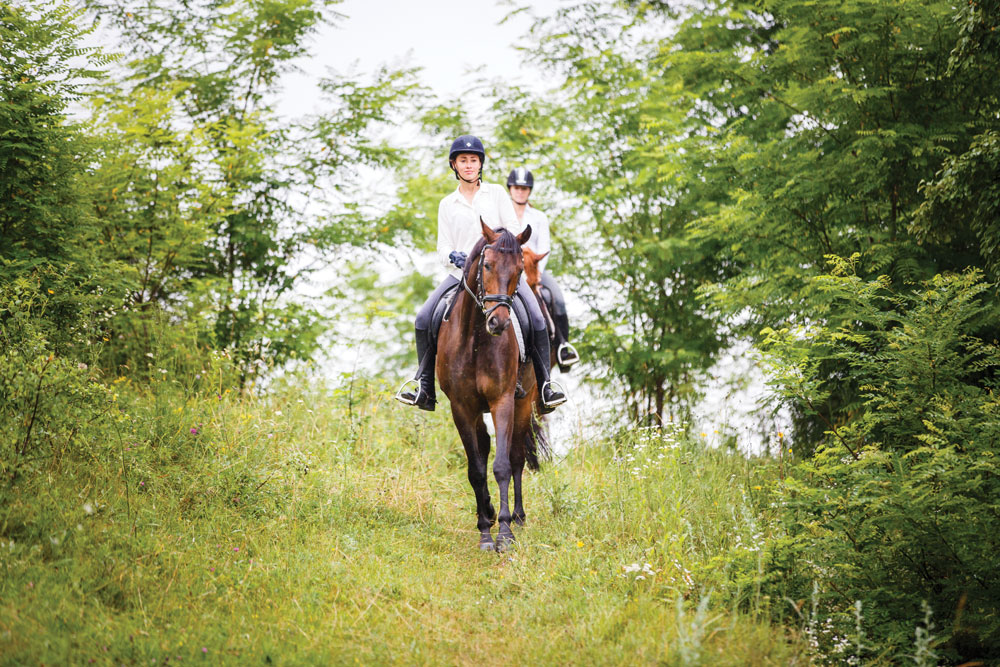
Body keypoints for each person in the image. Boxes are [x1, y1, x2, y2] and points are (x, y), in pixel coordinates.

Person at [395, 135, 567, 413]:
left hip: (498, 274)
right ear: (454, 165)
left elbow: (511, 229)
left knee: (536, 317)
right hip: (460, 276)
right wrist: (452, 256)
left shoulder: (497, 193)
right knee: (424, 317)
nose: (468, 165)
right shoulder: (446, 204)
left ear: (480, 164)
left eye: (473, 160)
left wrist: (496, 249)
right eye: (463, 160)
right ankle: (424, 386)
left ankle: (546, 385)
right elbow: (442, 246)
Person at [506, 167, 580, 369]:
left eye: (524, 188)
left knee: (556, 297)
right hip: (508, 272)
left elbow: (544, 248)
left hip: (533, 271)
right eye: (517, 187)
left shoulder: (539, 217)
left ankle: (563, 346)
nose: (520, 191)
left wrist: (535, 275)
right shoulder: (502, 215)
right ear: (510, 189)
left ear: (529, 191)